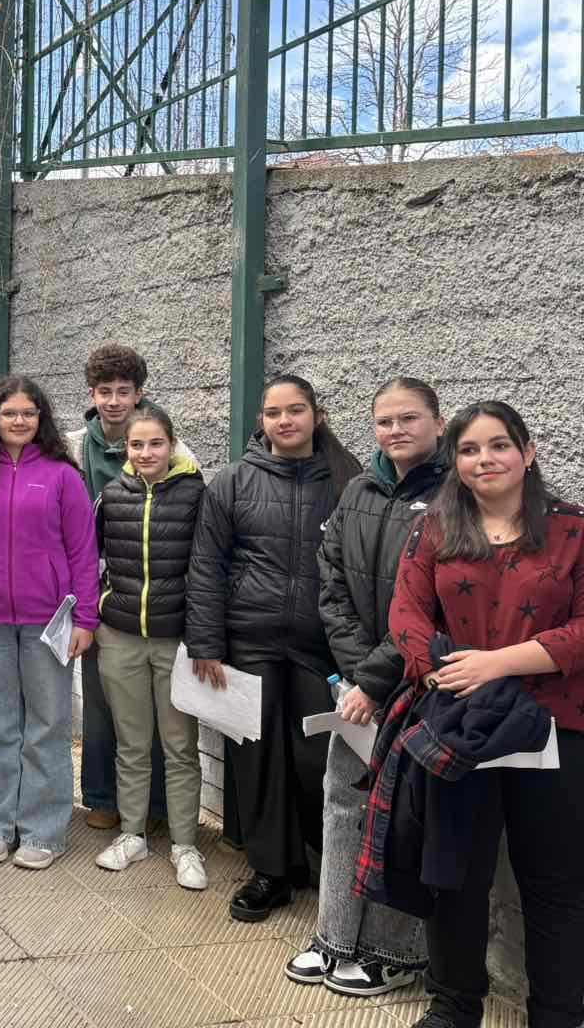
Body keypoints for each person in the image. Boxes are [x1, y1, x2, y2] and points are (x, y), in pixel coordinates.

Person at [386, 401, 584, 1028]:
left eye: (499, 445)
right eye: (469, 449)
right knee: (456, 877)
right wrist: (441, 675)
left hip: (554, 725)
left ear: (528, 452)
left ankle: (557, 1013)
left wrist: (497, 665)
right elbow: (406, 614)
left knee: (554, 882)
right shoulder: (435, 529)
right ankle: (453, 1005)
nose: (484, 459)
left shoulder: (573, 530)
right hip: (462, 724)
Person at [282, 377, 442, 996]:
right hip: (358, 687)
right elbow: (331, 582)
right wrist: (357, 672)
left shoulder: (454, 496)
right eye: (384, 421)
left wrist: (374, 679)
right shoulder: (359, 489)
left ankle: (394, 951)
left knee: (403, 816)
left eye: (409, 418)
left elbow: (434, 605)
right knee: (343, 803)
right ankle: (335, 935)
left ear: (437, 422)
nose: (395, 430)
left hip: (419, 684)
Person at [186, 374, 361, 921]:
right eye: (274, 412)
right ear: (261, 421)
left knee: (318, 758)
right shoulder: (232, 482)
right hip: (250, 641)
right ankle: (272, 872)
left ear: (317, 416)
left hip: (319, 646)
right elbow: (206, 566)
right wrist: (206, 643)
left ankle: (325, 863)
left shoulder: (347, 482)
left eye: (296, 410)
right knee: (257, 759)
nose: (285, 420)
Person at [0, 376, 100, 870]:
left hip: (47, 622)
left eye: (28, 413)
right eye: (9, 412)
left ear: (41, 419)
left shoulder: (62, 476)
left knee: (47, 725)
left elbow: (83, 551)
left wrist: (85, 617)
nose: (19, 421)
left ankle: (43, 831)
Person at [67, 343, 189, 833]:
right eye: (105, 392)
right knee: (100, 701)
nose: (114, 401)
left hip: (153, 598)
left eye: (124, 391)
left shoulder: (171, 447)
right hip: (97, 592)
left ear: (139, 394)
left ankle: (155, 807)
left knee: (157, 713)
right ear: (92, 395)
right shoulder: (74, 446)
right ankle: (102, 796)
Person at [91, 406, 209, 890]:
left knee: (179, 747)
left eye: (155, 443)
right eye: (136, 445)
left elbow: (209, 568)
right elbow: (89, 555)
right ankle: (132, 834)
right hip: (120, 638)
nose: (145, 453)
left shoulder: (197, 494)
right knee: (132, 744)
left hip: (175, 642)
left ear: (172, 445)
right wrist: (100, 605)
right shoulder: (111, 495)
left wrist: (204, 638)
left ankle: (185, 845)